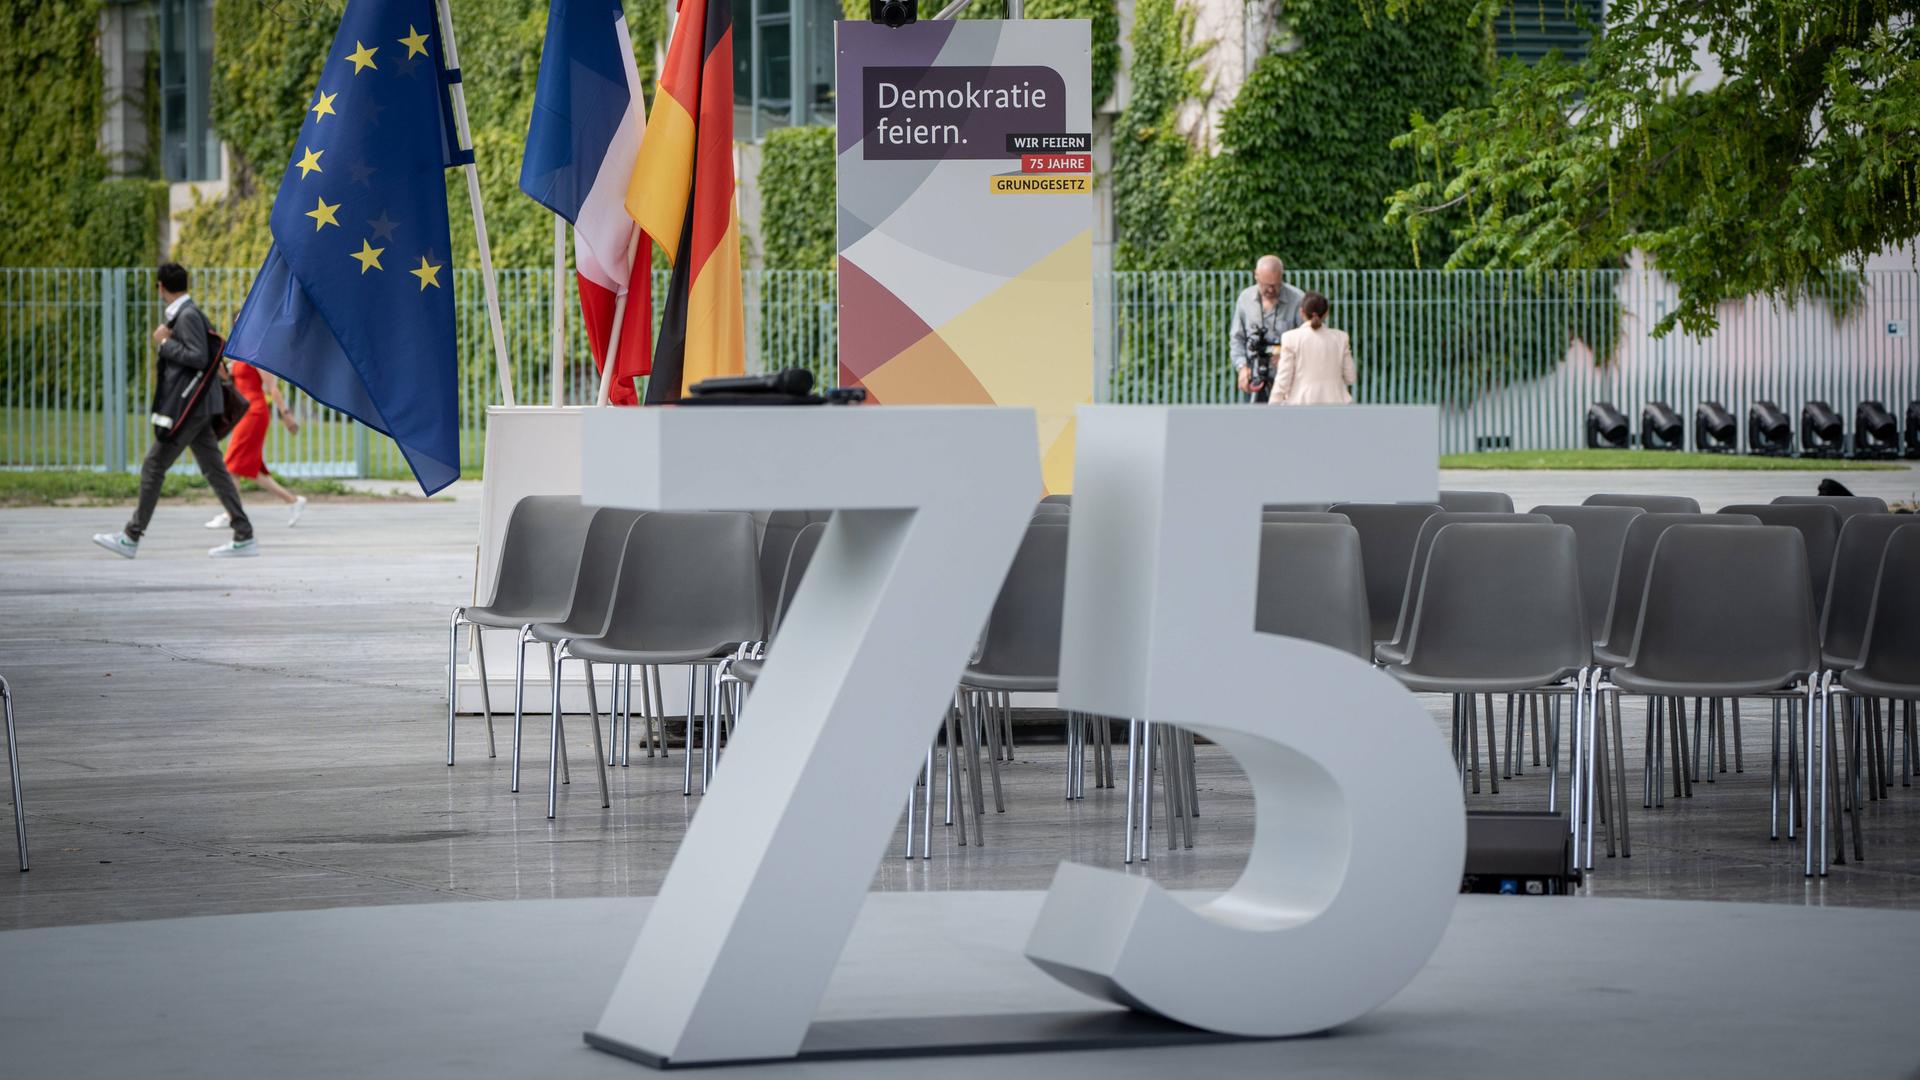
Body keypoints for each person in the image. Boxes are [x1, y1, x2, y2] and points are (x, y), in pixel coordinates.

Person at [92, 263, 257, 559]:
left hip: (191, 407)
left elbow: (198, 357)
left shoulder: (188, 315)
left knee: (153, 465)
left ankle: (131, 536)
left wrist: (164, 343)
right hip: (199, 405)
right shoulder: (184, 314)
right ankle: (244, 534)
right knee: (215, 470)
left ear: (160, 287)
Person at [205, 361, 307, 529]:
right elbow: (232, 381)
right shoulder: (238, 356)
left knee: (232, 465)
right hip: (244, 413)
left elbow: (272, 387)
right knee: (252, 470)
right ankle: (293, 501)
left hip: (255, 413)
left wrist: (286, 414)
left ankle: (231, 514)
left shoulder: (257, 358)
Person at [1229, 254, 1305, 402]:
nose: (1271, 289)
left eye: (1275, 285)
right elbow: (1237, 337)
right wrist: (1241, 367)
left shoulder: (1297, 299)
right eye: (1266, 285)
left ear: (1282, 277)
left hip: (1288, 379)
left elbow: (1308, 339)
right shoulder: (1245, 299)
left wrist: (1287, 355)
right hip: (1254, 376)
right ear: (1256, 276)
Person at [1268, 291, 1355, 405]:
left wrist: (1273, 404)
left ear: (1301, 312)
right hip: (1337, 405)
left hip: (1301, 405)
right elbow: (1350, 377)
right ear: (1326, 313)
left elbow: (1283, 379)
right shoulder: (1341, 338)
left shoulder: (1290, 338)